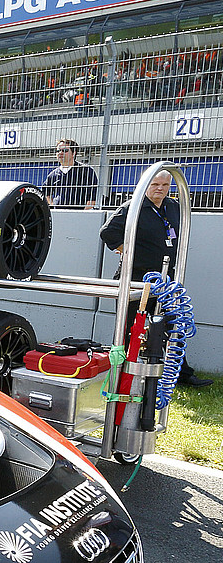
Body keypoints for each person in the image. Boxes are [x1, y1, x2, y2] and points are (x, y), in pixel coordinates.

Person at [100, 169, 213, 387]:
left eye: (165, 185)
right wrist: (127, 252)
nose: (160, 189)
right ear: (145, 185)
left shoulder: (173, 207)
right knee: (130, 328)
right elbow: (107, 232)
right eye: (155, 184)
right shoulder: (132, 207)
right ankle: (123, 374)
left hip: (165, 280)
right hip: (136, 279)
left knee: (173, 326)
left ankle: (182, 375)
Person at [42, 139, 99, 209]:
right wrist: (53, 205)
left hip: (79, 213)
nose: (60, 153)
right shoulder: (53, 174)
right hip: (58, 213)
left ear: (74, 153)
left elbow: (92, 198)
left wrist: (83, 212)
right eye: (58, 151)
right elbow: (46, 193)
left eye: (65, 150)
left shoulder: (86, 171)